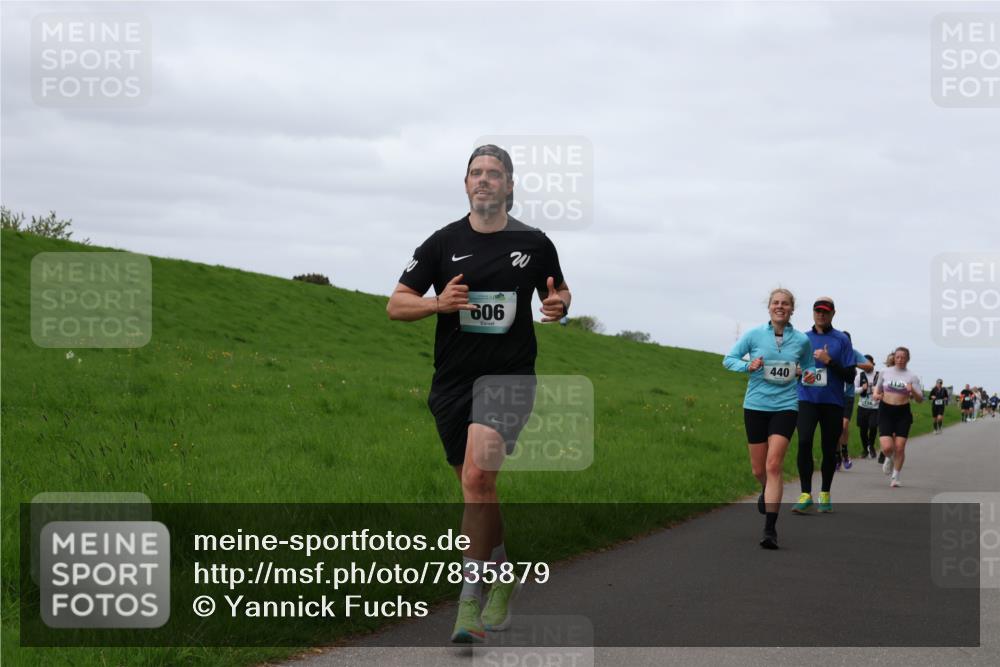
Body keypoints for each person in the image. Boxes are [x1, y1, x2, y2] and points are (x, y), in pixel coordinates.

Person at [387, 144, 571, 643]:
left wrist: (557, 305)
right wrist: (437, 304)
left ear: (510, 185)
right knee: (477, 489)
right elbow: (396, 305)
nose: (484, 180)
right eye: (476, 173)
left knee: (476, 476)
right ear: (465, 184)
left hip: (510, 379)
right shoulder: (441, 243)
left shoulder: (534, 243)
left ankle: (467, 604)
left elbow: (560, 292)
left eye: (494, 173)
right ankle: (504, 573)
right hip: (451, 384)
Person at [724, 288, 816, 549]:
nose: (780, 307)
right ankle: (765, 490)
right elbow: (728, 359)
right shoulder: (754, 335)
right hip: (755, 405)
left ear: (791, 309)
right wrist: (747, 366)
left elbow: (809, 366)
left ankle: (770, 530)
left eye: (785, 304)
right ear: (769, 307)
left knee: (774, 465)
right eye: (776, 303)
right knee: (759, 469)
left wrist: (808, 375)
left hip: (786, 406)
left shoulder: (801, 340)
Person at [792, 297, 856, 514]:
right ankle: (805, 493)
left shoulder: (842, 340)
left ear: (833, 314)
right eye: (818, 311)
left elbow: (850, 375)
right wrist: (797, 371)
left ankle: (825, 493)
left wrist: (829, 361)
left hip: (832, 402)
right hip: (806, 399)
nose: (821, 314)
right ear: (813, 313)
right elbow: (790, 367)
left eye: (825, 312)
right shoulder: (802, 338)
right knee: (804, 442)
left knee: (829, 449)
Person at [873, 347, 923, 487]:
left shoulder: (912, 376)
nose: (900, 360)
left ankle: (895, 477)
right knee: (888, 447)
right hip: (885, 411)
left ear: (908, 359)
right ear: (894, 358)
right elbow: (877, 390)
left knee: (900, 447)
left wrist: (911, 389)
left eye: (903, 357)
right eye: (898, 357)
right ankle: (888, 458)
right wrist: (876, 395)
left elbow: (920, 399)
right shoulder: (885, 372)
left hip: (903, 412)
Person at [835, 332, 874, 469]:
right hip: (833, 394)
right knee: (835, 428)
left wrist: (854, 363)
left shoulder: (853, 353)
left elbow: (869, 366)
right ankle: (837, 455)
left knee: (844, 425)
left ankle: (844, 451)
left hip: (848, 396)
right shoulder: (833, 351)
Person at [856, 355, 880, 458]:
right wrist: (862, 388)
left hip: (875, 407)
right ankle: (865, 449)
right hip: (862, 406)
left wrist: (878, 391)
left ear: (873, 364)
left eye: (868, 363)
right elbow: (854, 389)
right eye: (863, 363)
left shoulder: (879, 375)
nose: (866, 365)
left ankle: (871, 446)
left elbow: (884, 389)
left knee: (873, 427)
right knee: (863, 430)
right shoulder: (859, 376)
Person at [876, 351, 896, 465]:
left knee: (893, 434)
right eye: (891, 361)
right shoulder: (883, 373)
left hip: (898, 407)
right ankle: (884, 452)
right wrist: (879, 395)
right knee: (884, 433)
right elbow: (877, 390)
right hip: (885, 407)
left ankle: (888, 452)